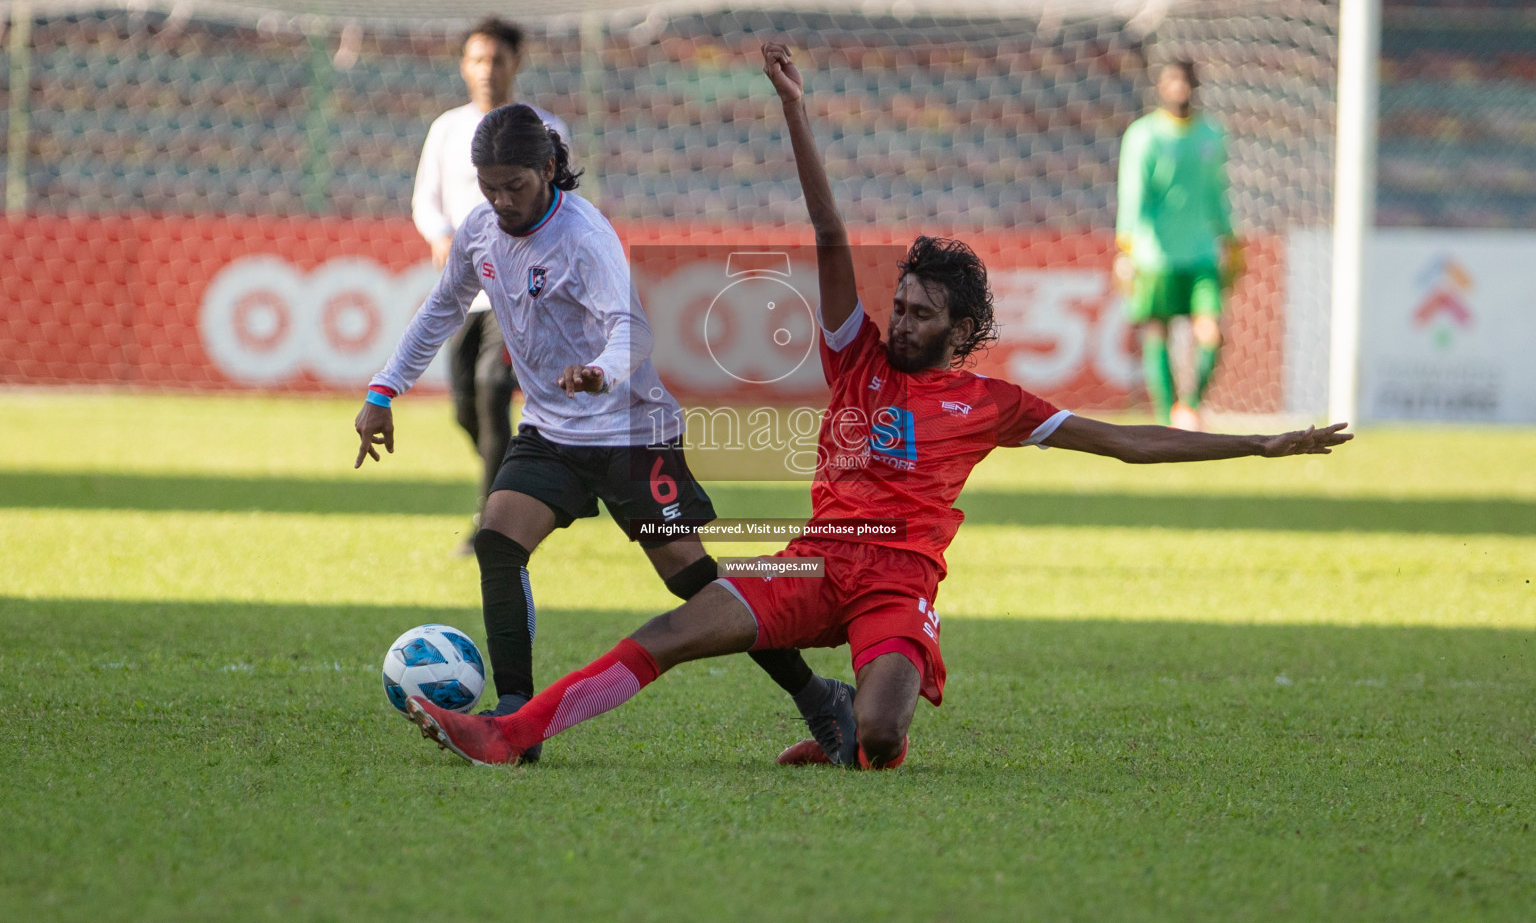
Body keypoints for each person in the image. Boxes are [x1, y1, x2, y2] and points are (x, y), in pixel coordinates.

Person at [396, 43, 1352, 771]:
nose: (899, 318)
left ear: (962, 328)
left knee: (885, 741)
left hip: (895, 586)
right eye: (900, 303)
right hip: (811, 561)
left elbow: (1128, 444)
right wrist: (796, 112)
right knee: (668, 634)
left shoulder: (993, 402)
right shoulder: (855, 352)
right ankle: (511, 731)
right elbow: (828, 228)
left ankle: (849, 723)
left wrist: (1261, 445)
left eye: (921, 313)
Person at [358, 102, 854, 764]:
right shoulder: (480, 232)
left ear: (550, 168)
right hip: (551, 430)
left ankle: (820, 697)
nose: (503, 201)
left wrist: (599, 372)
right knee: (499, 540)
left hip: (630, 430)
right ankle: (515, 720)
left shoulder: (585, 237)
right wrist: (383, 390)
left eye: (517, 185)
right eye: (490, 187)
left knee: (695, 584)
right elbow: (440, 310)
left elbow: (631, 330)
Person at [412, 17, 568, 553]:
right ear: (463, 66)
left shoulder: (543, 130)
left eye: (497, 60)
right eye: (477, 60)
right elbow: (425, 200)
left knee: (492, 388)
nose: (486, 70)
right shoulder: (447, 130)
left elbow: (563, 209)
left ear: (514, 66)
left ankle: (490, 526)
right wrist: (438, 235)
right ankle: (537, 487)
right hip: (465, 294)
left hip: (519, 293)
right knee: (464, 405)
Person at [1113, 58, 1245, 432]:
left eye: (1184, 81)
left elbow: (1218, 193)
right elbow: (1133, 194)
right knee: (1157, 332)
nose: (1178, 89)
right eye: (1171, 81)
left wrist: (1230, 238)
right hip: (1155, 254)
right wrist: (1127, 248)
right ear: (1160, 87)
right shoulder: (1144, 135)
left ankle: (1188, 407)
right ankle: (1167, 415)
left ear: (1194, 86)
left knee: (1212, 332)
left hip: (1202, 252)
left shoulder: (1211, 135)